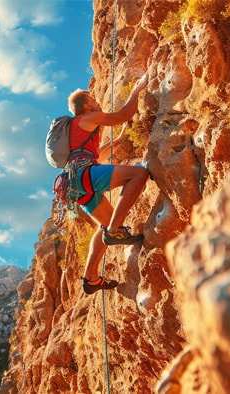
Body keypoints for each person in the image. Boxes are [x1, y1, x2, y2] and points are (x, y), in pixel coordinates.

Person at [66, 74, 149, 295]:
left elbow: (98, 154)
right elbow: (124, 114)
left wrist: (121, 137)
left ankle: (91, 278)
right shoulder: (88, 118)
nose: (98, 102)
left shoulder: (79, 130)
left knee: (105, 226)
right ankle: (114, 231)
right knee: (138, 175)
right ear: (86, 107)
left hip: (75, 184)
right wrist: (137, 89)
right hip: (84, 175)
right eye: (93, 100)